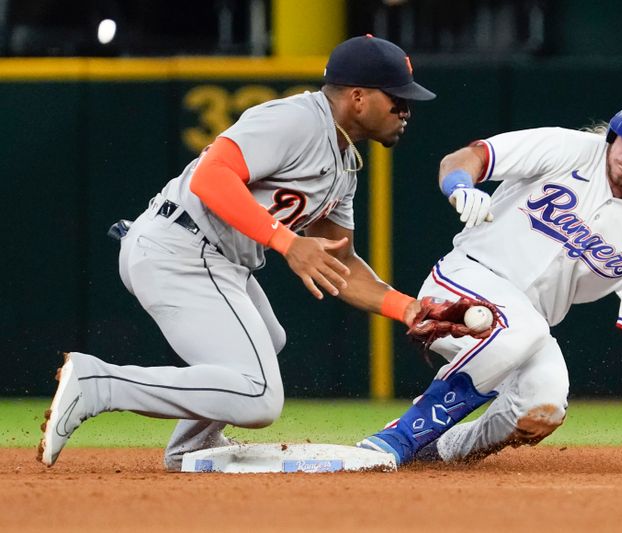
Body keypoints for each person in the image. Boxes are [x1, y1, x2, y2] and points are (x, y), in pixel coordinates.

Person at [38, 35, 440, 469]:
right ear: (358, 97)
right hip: (181, 247)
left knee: (270, 338)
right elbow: (210, 177)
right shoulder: (298, 120)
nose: (406, 111)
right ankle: (101, 383)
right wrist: (287, 242)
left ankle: (192, 444)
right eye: (397, 99)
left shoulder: (344, 166)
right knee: (259, 397)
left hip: (208, 256)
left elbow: (340, 263)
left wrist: (410, 309)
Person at [358, 87, 622, 467]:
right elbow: (468, 157)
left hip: (526, 325)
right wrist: (460, 186)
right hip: (466, 281)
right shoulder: (567, 149)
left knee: (544, 406)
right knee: (522, 330)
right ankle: (397, 439)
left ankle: (437, 452)